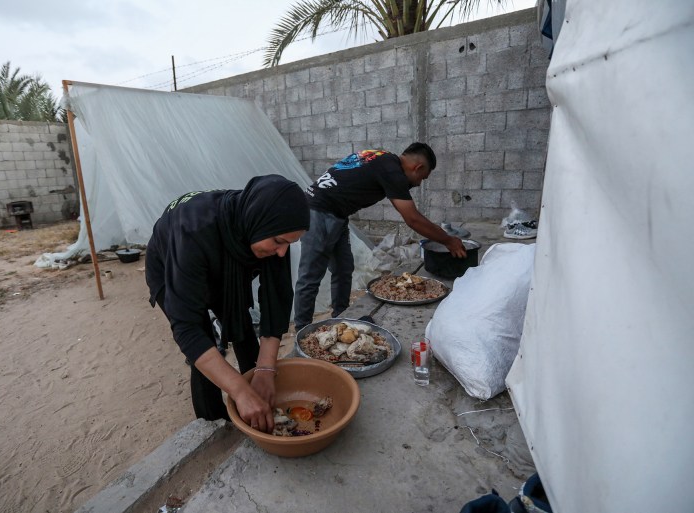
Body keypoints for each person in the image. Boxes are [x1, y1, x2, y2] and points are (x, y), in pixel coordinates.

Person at [145, 174, 310, 433]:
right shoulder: (194, 230)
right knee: (203, 339)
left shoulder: (269, 227)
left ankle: (256, 388)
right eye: (279, 242)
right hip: (173, 265)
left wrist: (266, 370)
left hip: (228, 265)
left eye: (290, 243)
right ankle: (214, 419)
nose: (282, 253)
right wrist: (238, 389)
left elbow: (276, 302)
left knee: (240, 323)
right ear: (259, 225)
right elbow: (187, 328)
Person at [293, 143, 467, 331]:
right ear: (418, 168)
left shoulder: (381, 157)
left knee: (344, 268)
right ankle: (302, 331)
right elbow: (413, 219)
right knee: (311, 274)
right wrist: (448, 240)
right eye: (422, 178)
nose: (418, 183)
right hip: (318, 211)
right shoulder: (392, 171)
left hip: (336, 212)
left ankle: (341, 317)